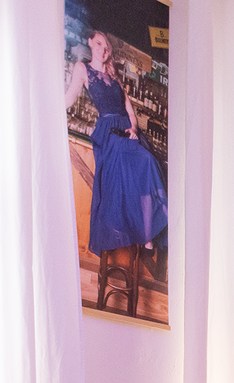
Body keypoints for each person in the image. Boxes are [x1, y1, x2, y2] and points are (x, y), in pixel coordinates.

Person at [64, 31, 168, 261]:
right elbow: (70, 97)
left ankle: (147, 233)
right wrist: (49, 107)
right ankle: (144, 233)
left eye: (106, 47)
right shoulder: (83, 69)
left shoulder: (115, 77)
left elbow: (129, 110)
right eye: (98, 44)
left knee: (147, 164)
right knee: (133, 170)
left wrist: (134, 128)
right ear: (90, 43)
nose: (103, 49)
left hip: (127, 131)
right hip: (109, 132)